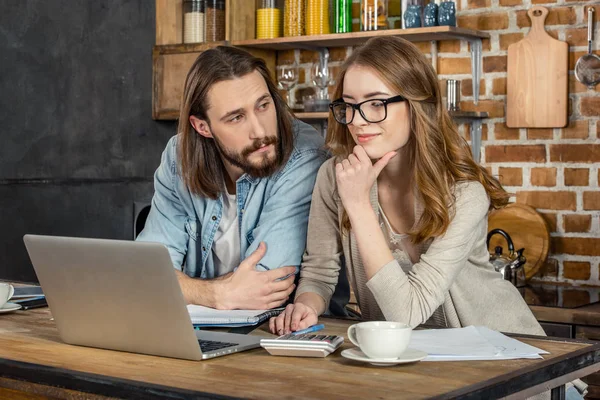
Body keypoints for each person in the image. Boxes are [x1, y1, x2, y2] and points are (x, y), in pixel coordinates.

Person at [270, 35, 546, 336]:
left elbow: (407, 312)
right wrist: (306, 306)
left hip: (501, 351)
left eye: (376, 104)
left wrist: (359, 205)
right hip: (407, 358)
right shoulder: (335, 176)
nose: (359, 121)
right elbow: (320, 273)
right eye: (349, 105)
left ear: (416, 105)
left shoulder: (464, 193)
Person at [137, 46, 328, 311]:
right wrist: (215, 294)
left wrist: (186, 288)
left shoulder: (303, 153)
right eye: (236, 117)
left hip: (282, 332)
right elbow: (146, 273)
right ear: (202, 127)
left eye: (263, 105)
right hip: (198, 329)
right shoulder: (178, 157)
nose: (260, 131)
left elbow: (266, 285)